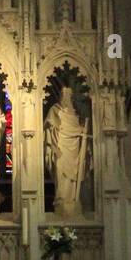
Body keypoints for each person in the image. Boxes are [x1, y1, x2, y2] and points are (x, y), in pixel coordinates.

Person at [44, 86, 88, 216]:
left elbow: (77, 129)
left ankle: (72, 200)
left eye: (68, 95)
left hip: (73, 148)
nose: (66, 97)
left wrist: (82, 130)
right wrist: (53, 144)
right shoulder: (54, 110)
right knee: (60, 172)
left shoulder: (74, 113)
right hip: (61, 146)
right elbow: (49, 126)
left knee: (73, 175)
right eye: (64, 94)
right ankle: (61, 199)